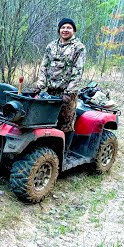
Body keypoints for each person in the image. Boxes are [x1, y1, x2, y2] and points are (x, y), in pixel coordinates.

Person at [33, 17, 86, 152]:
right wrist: (39, 85)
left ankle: (63, 156)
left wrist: (68, 93)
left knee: (66, 124)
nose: (65, 30)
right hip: (50, 93)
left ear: (73, 30)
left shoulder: (78, 47)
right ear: (59, 30)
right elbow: (44, 67)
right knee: (46, 122)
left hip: (67, 94)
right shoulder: (51, 46)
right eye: (63, 27)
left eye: (69, 27)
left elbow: (77, 71)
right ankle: (48, 153)